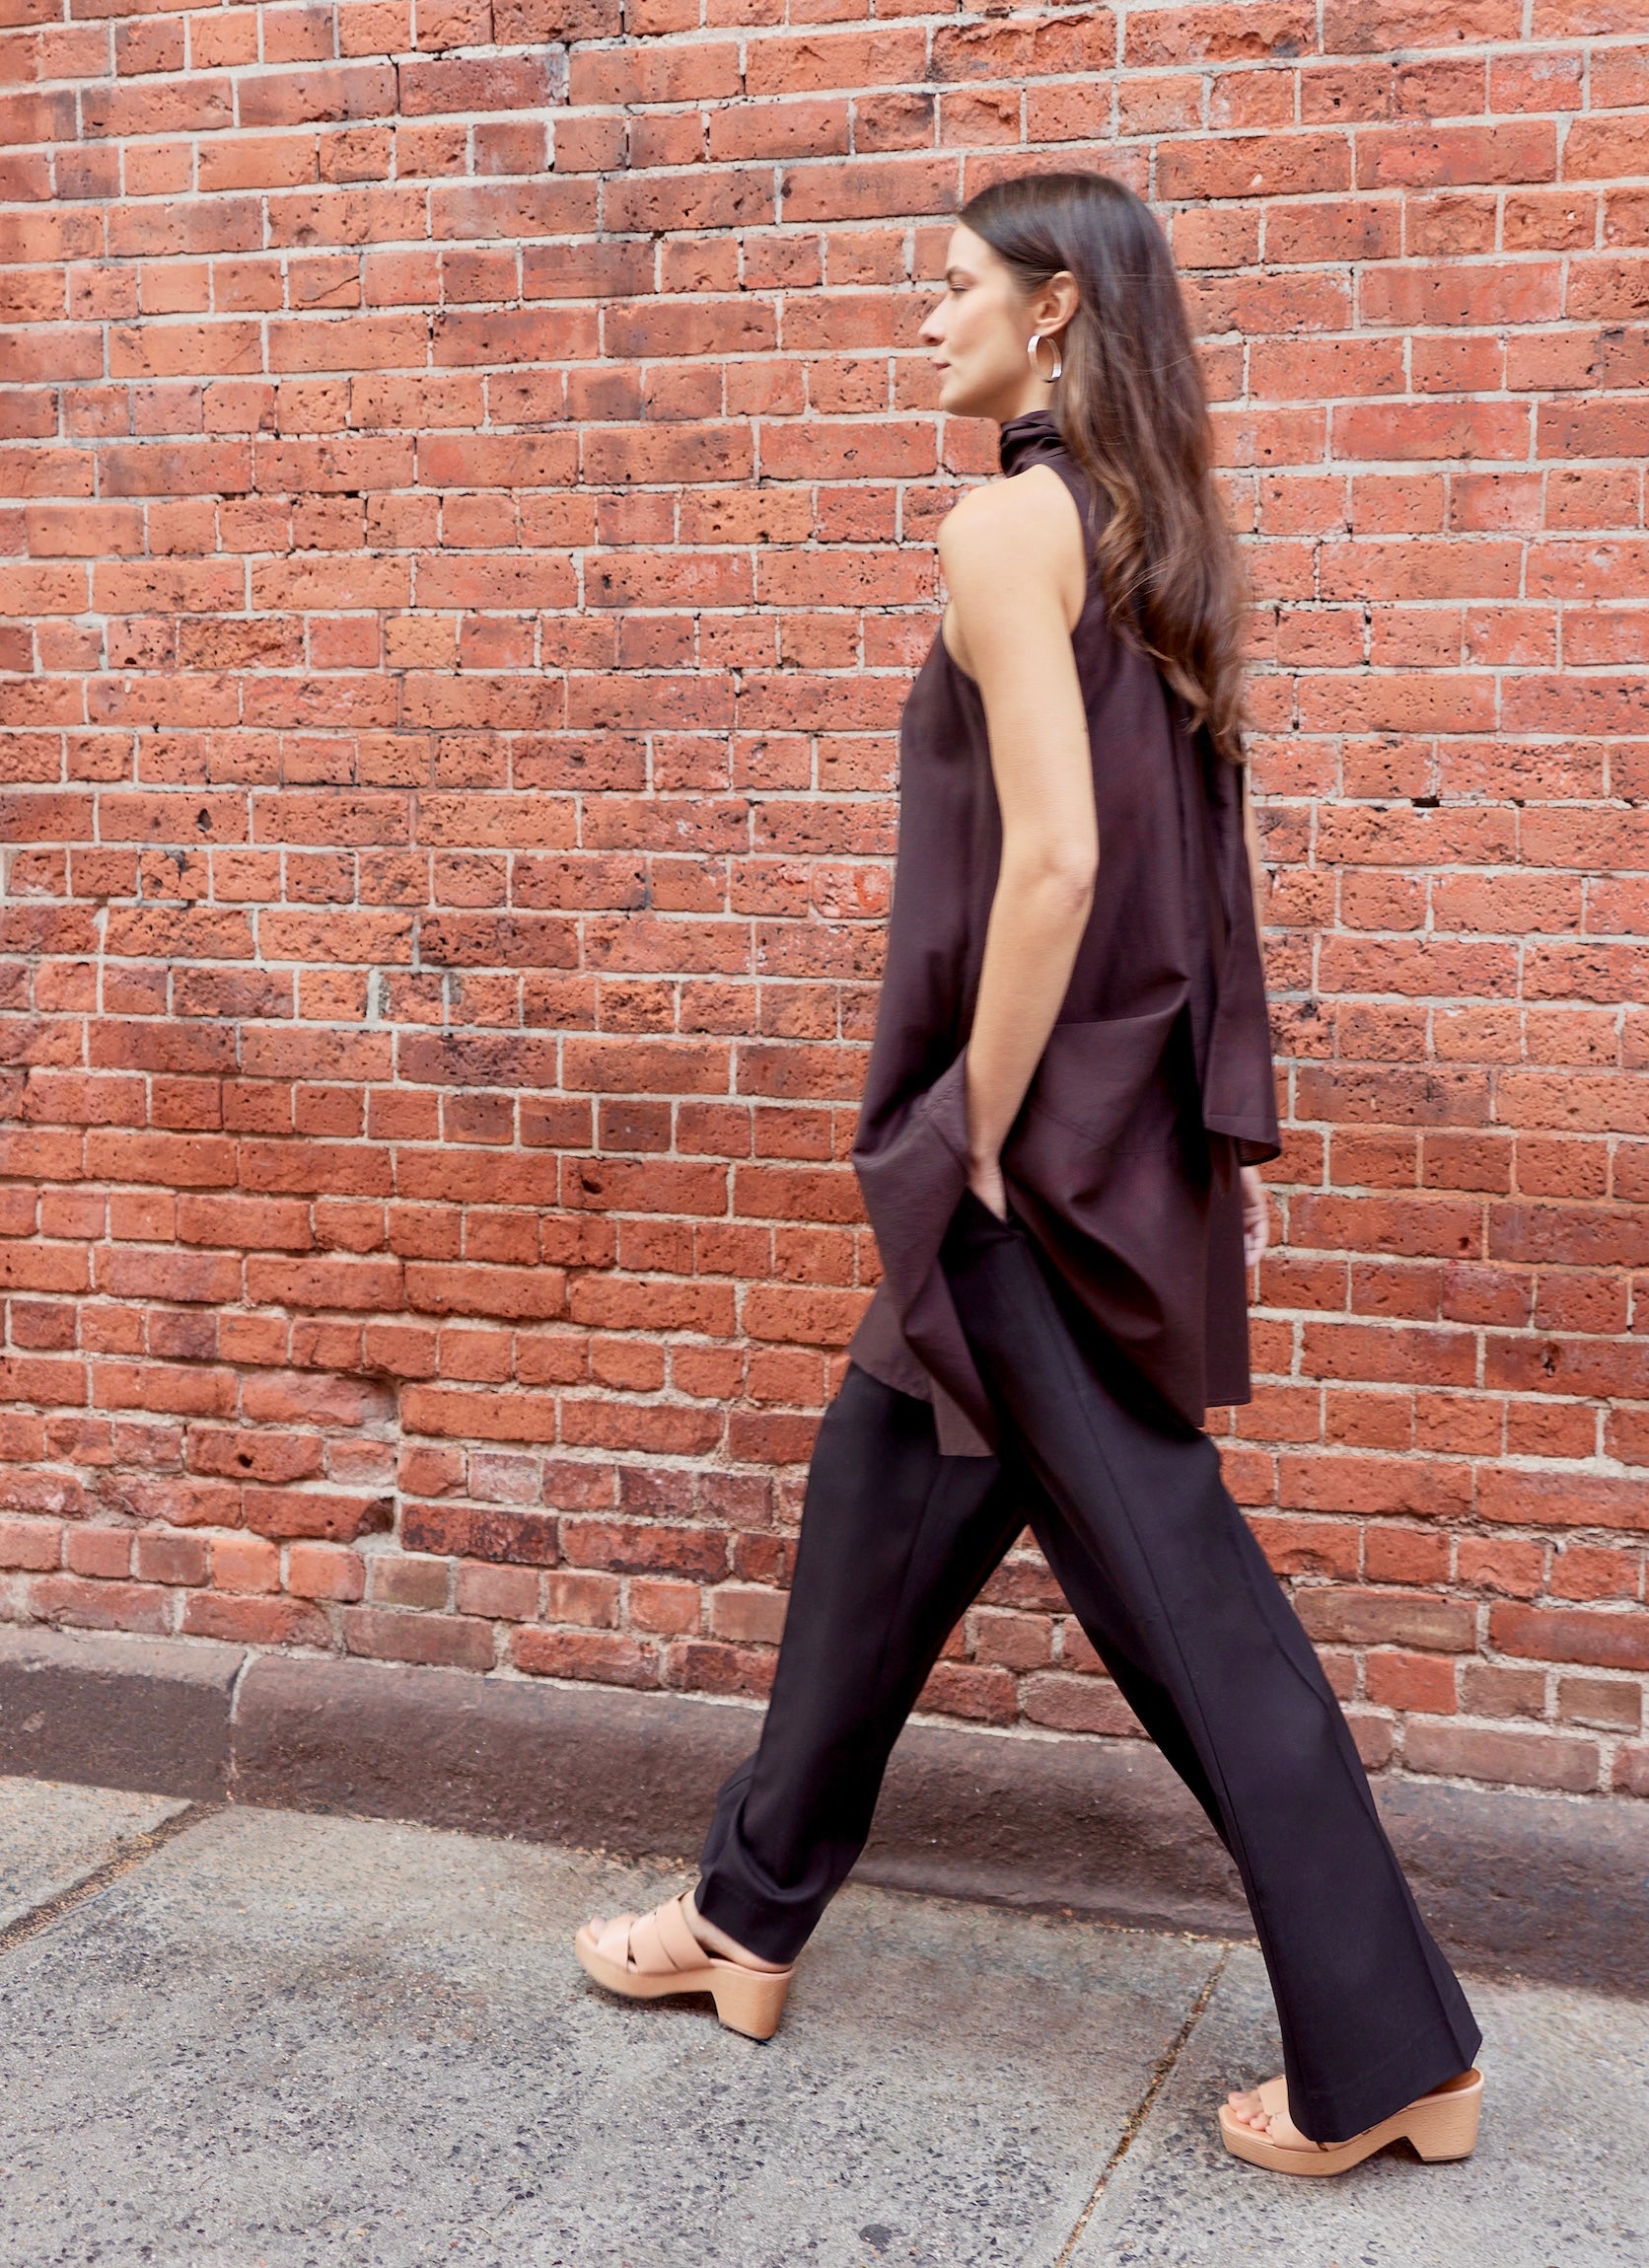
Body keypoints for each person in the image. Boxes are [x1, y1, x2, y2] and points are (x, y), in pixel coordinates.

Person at [575, 171, 1483, 2177]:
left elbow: (1060, 862)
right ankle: (743, 1910)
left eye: (955, 289)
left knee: (1186, 1606)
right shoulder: (1152, 536)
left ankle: (1388, 2042)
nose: (930, 326)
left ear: (1052, 311)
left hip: (1023, 1170)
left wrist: (967, 1132)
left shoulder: (1003, 521)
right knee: (872, 1487)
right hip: (1098, 1145)